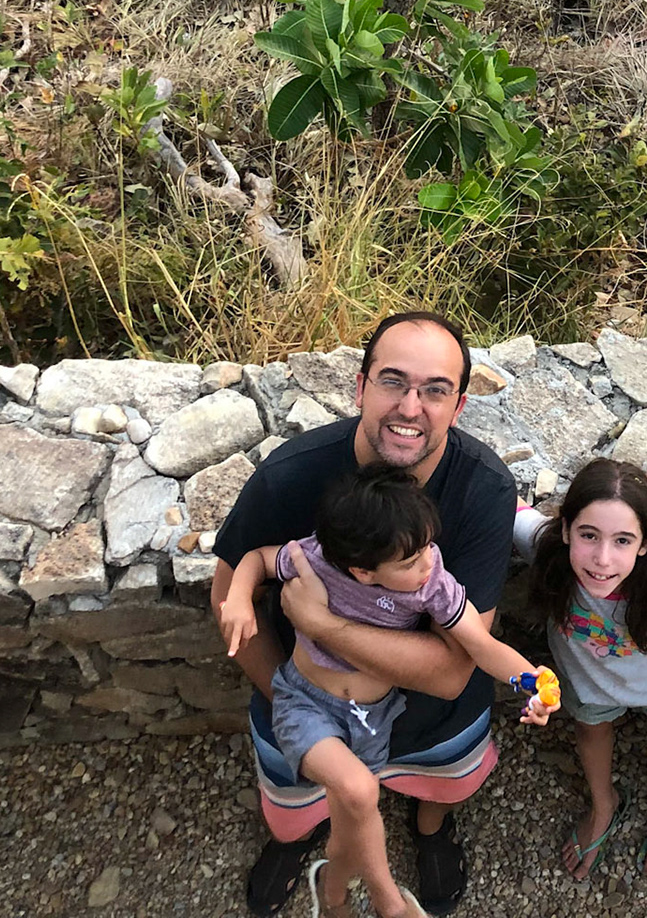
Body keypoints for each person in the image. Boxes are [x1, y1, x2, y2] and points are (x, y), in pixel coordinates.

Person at [212, 312, 517, 917]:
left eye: (435, 390)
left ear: (459, 407)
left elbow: (453, 673)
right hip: (304, 695)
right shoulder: (289, 478)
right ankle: (299, 841)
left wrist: (323, 626)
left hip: (430, 712)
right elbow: (229, 596)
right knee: (305, 797)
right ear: (360, 387)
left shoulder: (483, 491)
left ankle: (430, 828)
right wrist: (293, 698)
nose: (411, 407)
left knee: (442, 780)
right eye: (393, 381)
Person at [220, 464, 557, 918]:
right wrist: (240, 599)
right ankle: (390, 903)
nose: (428, 564)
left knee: (351, 824)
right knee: (360, 791)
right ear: (362, 571)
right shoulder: (314, 558)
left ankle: (332, 893)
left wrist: (531, 682)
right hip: (304, 703)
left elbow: (481, 645)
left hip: (371, 719)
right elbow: (257, 560)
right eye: (410, 562)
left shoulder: (431, 582)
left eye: (428, 547)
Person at [513, 457, 647, 879]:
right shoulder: (548, 551)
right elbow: (497, 497)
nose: (602, 560)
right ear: (565, 529)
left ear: (646, 544)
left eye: (623, 539)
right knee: (591, 733)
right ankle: (603, 803)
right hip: (590, 687)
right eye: (589, 535)